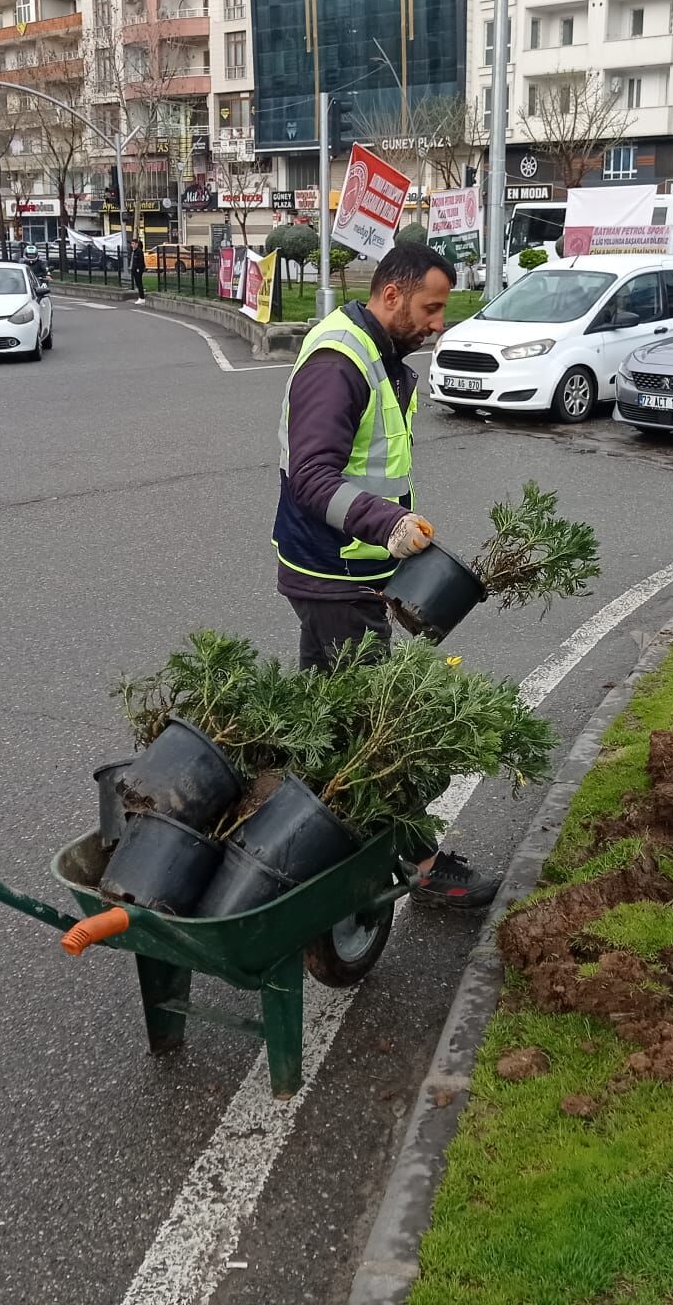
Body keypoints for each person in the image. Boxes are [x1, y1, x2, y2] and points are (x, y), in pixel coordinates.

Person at [274, 241, 498, 908]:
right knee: (382, 727)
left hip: (346, 573)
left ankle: (305, 844)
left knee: (328, 719)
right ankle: (424, 863)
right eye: (430, 308)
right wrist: (386, 525)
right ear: (392, 294)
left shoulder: (378, 355)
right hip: (334, 574)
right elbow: (312, 475)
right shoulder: (340, 361)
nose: (438, 324)